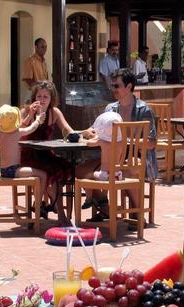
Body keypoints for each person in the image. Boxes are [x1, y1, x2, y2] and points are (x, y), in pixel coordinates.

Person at [84, 68, 158, 221]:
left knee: (128, 170)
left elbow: (151, 143)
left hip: (137, 157)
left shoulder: (144, 109)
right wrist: (89, 133)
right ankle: (105, 209)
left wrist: (126, 141)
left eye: (116, 86)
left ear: (129, 87)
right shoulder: (110, 109)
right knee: (81, 170)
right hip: (112, 157)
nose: (113, 89)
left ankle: (138, 215)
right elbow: (96, 130)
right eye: (112, 85)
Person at [19, 81, 91, 224]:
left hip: (47, 154)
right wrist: (31, 115)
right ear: (34, 97)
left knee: (67, 167)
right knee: (51, 172)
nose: (41, 100)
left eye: (46, 97)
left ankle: (60, 209)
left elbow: (68, 132)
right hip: (29, 155)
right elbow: (18, 132)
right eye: (39, 96)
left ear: (51, 99)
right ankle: (60, 213)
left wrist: (84, 132)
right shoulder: (26, 111)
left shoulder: (54, 112)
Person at [0, 103, 49, 203]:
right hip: (15, 171)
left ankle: (39, 201)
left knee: (37, 173)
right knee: (43, 175)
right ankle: (38, 203)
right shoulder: (18, 133)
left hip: (4, 171)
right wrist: (38, 119)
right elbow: (32, 128)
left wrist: (2, 150)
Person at [86, 111, 125, 181]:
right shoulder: (122, 141)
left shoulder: (102, 141)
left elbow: (89, 144)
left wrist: (95, 137)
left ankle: (88, 192)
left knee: (88, 175)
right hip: (118, 174)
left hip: (105, 174)